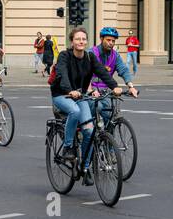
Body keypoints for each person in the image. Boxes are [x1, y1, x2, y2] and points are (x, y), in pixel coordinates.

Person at [50, 27, 122, 173]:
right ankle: (68, 147)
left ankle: (85, 167)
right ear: (72, 41)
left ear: (87, 41)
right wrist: (69, 90)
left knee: (89, 131)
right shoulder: (65, 56)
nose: (81, 41)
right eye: (77, 39)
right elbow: (62, 74)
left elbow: (102, 72)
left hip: (80, 96)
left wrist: (114, 86)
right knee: (75, 111)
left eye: (83, 39)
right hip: (62, 95)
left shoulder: (89, 57)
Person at [90, 27, 138, 125]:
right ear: (101, 39)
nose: (111, 43)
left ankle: (108, 139)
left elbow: (123, 70)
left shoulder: (115, 55)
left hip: (106, 91)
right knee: (95, 110)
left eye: (113, 41)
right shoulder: (92, 53)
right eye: (108, 40)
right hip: (91, 90)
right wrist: (91, 90)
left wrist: (131, 87)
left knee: (110, 116)